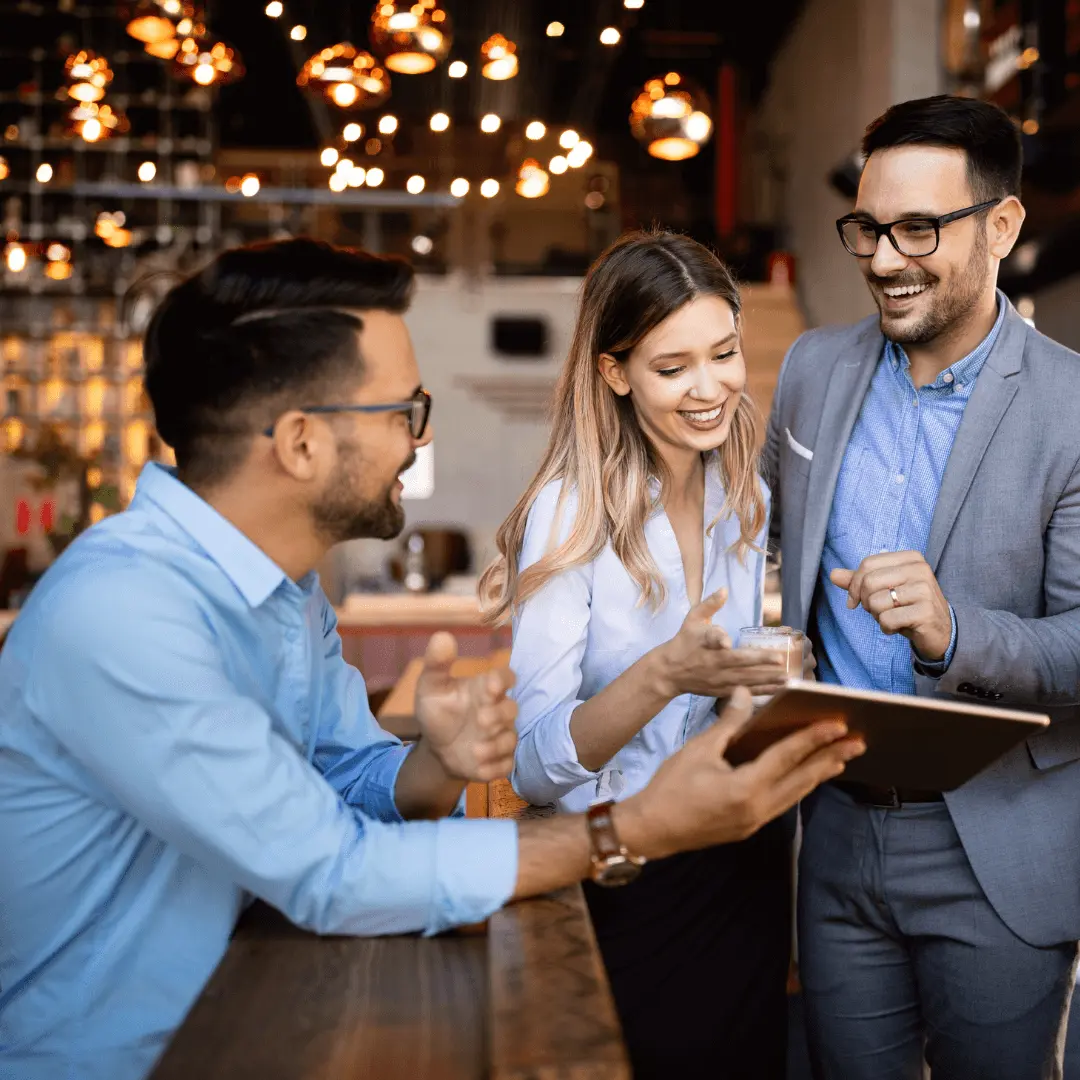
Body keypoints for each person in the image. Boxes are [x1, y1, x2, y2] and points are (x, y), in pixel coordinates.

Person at [0, 238, 865, 1080]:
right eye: (402, 412)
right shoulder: (125, 614)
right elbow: (334, 873)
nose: (418, 440)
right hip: (111, 1055)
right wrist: (630, 829)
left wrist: (431, 763)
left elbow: (346, 780)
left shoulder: (285, 598)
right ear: (302, 442)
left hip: (242, 1011)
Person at [765, 94, 1080, 1079]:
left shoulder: (1073, 408)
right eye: (867, 227)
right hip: (835, 831)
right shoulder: (812, 369)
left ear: (1001, 226)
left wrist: (952, 632)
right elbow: (773, 555)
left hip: (1000, 849)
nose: (884, 258)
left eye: (917, 229)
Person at [482, 230, 813, 1079]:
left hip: (742, 857)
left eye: (726, 353)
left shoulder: (745, 498)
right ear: (615, 371)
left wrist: (767, 684)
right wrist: (664, 673)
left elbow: (721, 700)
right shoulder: (570, 517)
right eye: (673, 368)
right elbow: (530, 767)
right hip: (623, 871)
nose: (711, 390)